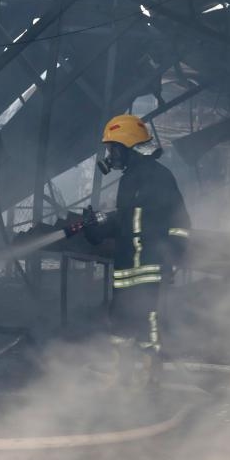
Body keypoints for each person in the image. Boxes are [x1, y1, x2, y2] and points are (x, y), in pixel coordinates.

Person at [75, 114, 191, 388]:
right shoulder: (130, 179)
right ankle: (122, 376)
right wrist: (94, 229)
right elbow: (126, 222)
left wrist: (172, 256)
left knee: (146, 322)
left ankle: (150, 378)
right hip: (127, 267)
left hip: (148, 266)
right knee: (120, 322)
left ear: (127, 146)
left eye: (113, 149)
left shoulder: (159, 177)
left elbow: (180, 222)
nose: (110, 156)